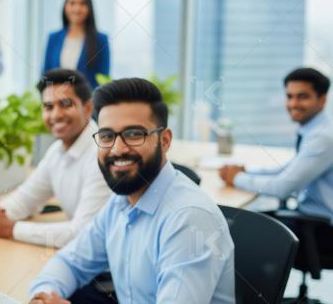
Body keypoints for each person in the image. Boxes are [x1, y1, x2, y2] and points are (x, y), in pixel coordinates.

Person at [29, 78, 234, 304]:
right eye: (107, 136)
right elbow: (70, 263)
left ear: (164, 140)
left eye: (134, 134)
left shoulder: (189, 219)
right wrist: (42, 298)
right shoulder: (121, 202)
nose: (117, 149)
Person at [0, 69, 110, 247]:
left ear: (88, 107)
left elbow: (83, 234)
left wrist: (10, 228)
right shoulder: (57, 152)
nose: (56, 115)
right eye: (48, 107)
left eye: (66, 104)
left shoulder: (102, 153)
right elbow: (25, 200)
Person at [220, 67, 333, 221]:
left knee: (236, 224)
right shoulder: (313, 129)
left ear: (322, 100)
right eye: (289, 96)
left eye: (302, 97)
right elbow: (288, 170)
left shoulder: (323, 138)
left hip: (319, 227)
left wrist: (237, 178)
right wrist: (246, 171)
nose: (293, 103)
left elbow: (283, 188)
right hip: (307, 217)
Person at [42, 0, 110, 89]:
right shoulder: (53, 38)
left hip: (87, 102)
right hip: (57, 101)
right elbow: (45, 73)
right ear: (65, 7)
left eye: (82, 4)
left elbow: (103, 78)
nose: (77, 9)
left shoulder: (101, 40)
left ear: (89, 8)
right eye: (72, 3)